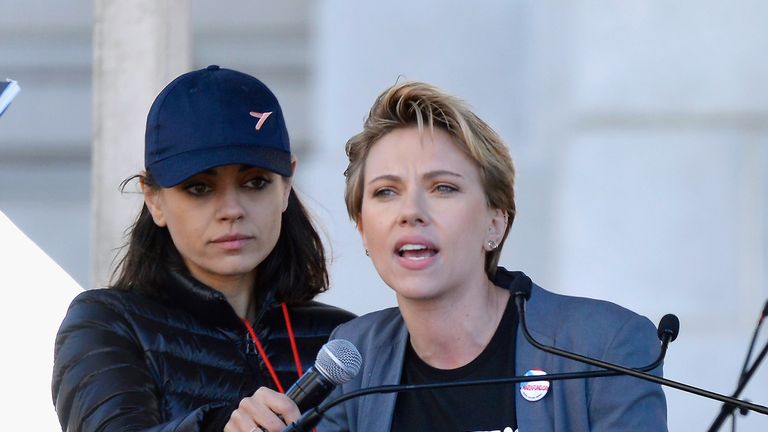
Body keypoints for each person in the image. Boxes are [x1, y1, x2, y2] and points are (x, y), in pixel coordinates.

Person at [312, 81, 667, 431]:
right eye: (386, 191)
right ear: (363, 229)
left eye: (443, 188)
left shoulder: (604, 345)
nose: (410, 211)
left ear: (495, 224)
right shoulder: (356, 354)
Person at [51, 65, 355, 432]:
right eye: (199, 188)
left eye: (255, 182)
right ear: (154, 199)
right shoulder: (107, 324)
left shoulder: (343, 339)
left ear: (286, 185)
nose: (232, 210)